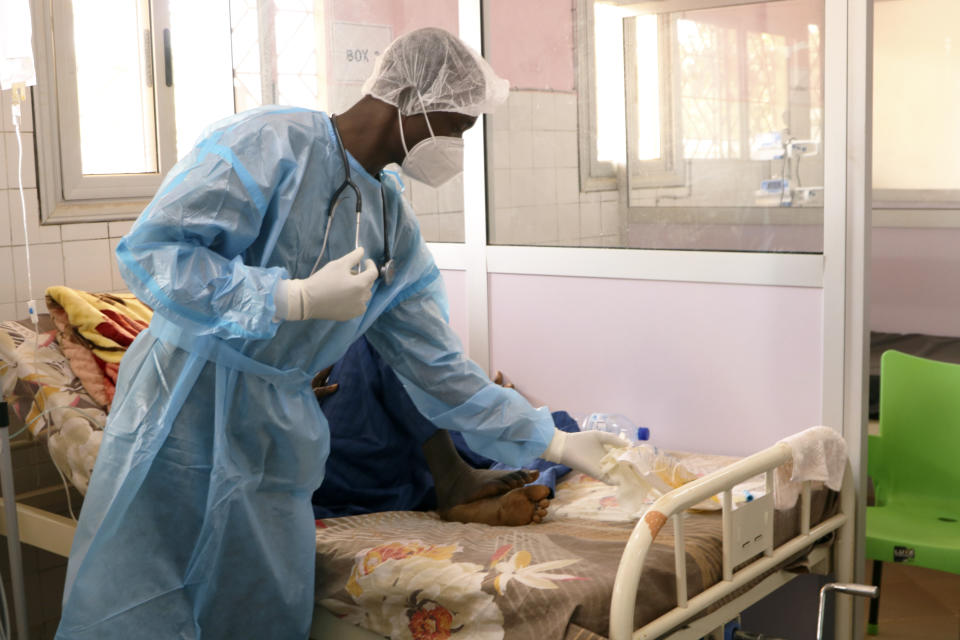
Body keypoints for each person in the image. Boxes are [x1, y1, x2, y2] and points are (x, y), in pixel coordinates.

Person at [56, 27, 621, 639]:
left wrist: (553, 441)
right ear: (409, 95)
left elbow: (437, 368)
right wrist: (287, 297)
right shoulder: (269, 143)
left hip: (276, 431)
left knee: (258, 604)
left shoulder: (391, 224)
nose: (458, 146)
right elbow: (155, 253)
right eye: (455, 126)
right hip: (183, 404)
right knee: (144, 594)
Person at [311, 336, 581, 526]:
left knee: (556, 426)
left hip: (382, 470)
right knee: (378, 337)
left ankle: (464, 494)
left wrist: (482, 397)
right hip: (314, 456)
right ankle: (455, 483)